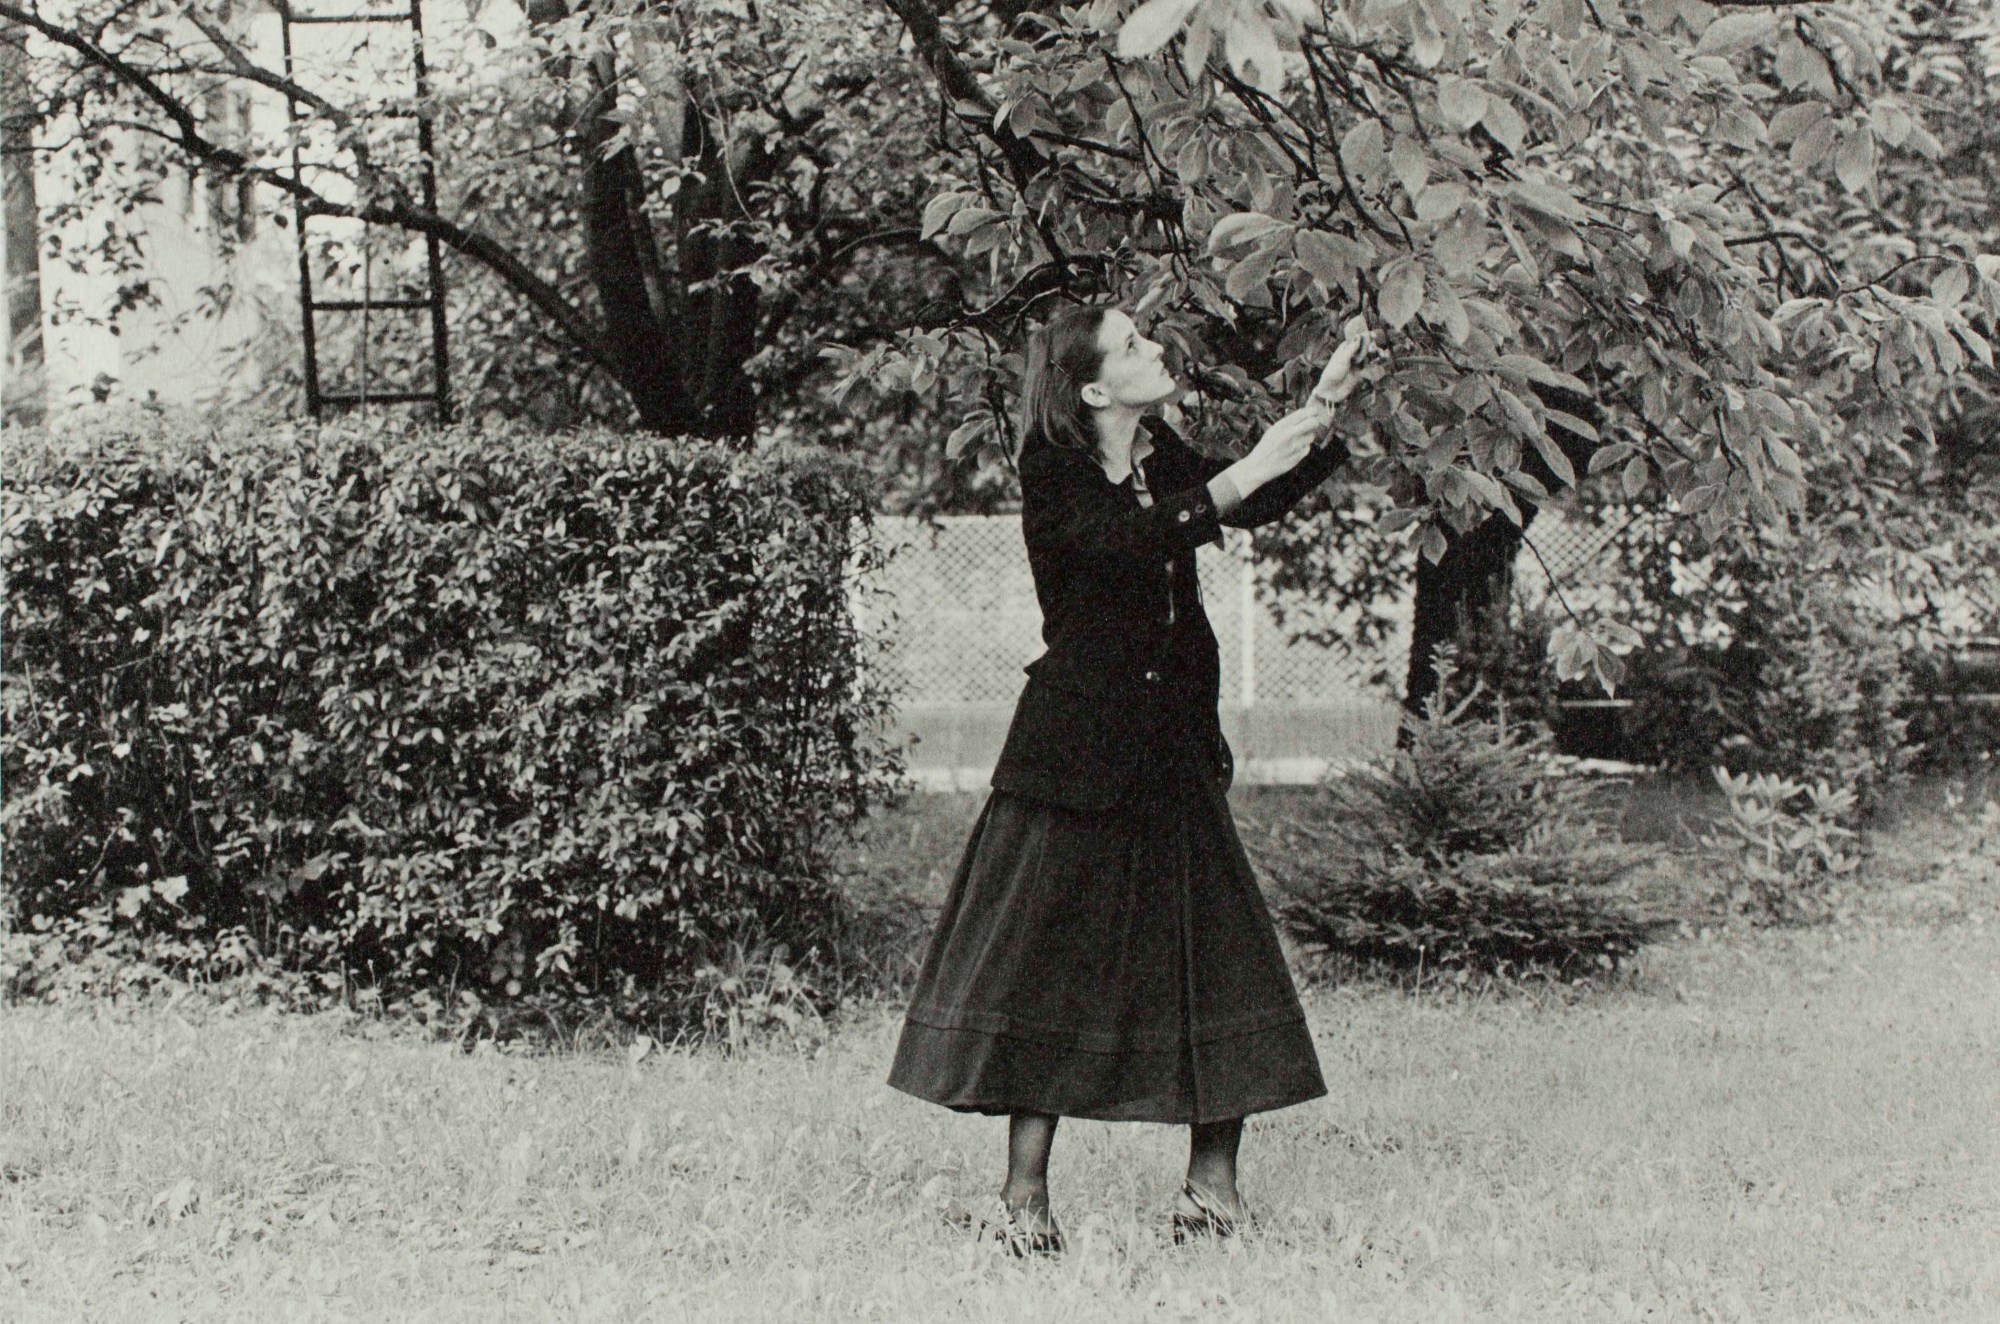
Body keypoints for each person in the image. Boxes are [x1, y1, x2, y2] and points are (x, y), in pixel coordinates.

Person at [885, 301, 1371, 1255]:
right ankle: (1024, 1204)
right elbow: (1127, 545)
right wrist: (1237, 476)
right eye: (1137, 344)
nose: (1160, 350)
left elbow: (1253, 499)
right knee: (1044, 969)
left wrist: (1324, 404)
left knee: (1216, 957)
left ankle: (1212, 1194)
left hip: (1173, 749)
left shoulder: (1160, 454)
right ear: (1096, 386)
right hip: (1074, 755)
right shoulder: (1054, 472)